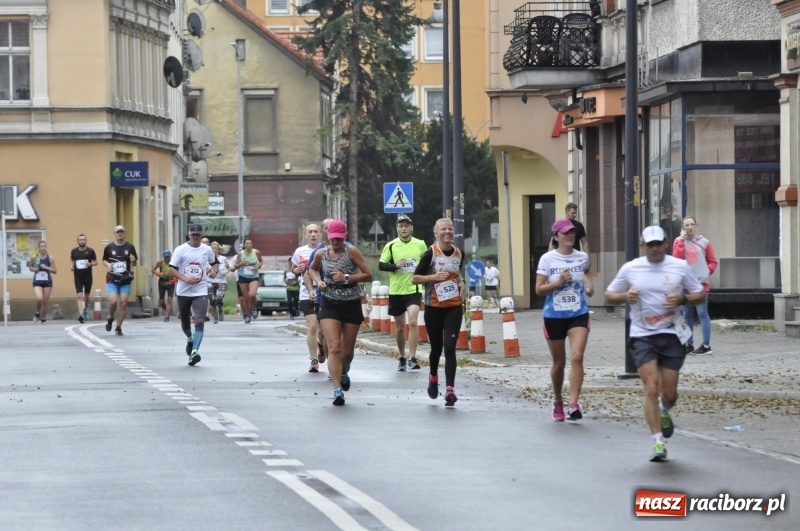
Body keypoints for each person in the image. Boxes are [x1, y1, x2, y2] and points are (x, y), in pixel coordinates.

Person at [605, 225, 706, 462]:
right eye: (650, 244)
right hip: (642, 336)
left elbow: (700, 293)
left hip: (671, 334)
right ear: (643, 246)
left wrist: (682, 299)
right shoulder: (631, 268)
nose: (654, 248)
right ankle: (658, 442)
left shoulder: (679, 266)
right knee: (651, 387)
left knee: (669, 394)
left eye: (658, 243)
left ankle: (664, 411)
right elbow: (609, 294)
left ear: (666, 243)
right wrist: (624, 296)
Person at [308, 219, 373, 405]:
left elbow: (368, 274)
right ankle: (337, 390)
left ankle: (344, 371)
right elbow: (312, 269)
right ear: (328, 237)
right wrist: (319, 282)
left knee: (347, 352)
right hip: (330, 303)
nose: (335, 242)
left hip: (351, 302)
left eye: (339, 239)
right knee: (334, 347)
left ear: (344, 237)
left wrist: (347, 277)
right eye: (333, 239)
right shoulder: (321, 253)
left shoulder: (351, 251)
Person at [535, 219, 594, 422]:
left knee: (577, 357)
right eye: (565, 233)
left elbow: (586, 270)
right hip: (554, 316)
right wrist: (558, 282)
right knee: (559, 363)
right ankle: (558, 400)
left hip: (578, 313)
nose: (570, 235)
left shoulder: (582, 257)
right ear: (556, 236)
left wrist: (589, 284)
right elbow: (539, 289)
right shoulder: (547, 259)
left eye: (572, 232)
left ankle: (574, 404)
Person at [412, 218, 465, 407]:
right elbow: (415, 278)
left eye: (450, 229)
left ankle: (450, 389)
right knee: (436, 348)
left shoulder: (459, 253)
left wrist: (462, 283)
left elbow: (458, 273)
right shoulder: (430, 253)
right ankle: (433, 376)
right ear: (436, 233)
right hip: (434, 307)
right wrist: (432, 277)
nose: (447, 232)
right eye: (443, 229)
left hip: (453, 307)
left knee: (450, 347)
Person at [379, 214, 428, 372]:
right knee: (400, 327)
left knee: (413, 321)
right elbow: (381, 265)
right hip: (396, 291)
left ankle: (412, 358)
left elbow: (428, 262)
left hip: (413, 289)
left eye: (407, 226)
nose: (404, 228)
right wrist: (395, 266)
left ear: (412, 228)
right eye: (401, 226)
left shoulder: (420, 244)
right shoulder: (391, 246)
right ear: (397, 228)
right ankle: (401, 356)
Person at [169, 223, 218, 366]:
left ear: (201, 235)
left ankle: (195, 352)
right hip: (183, 291)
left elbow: (214, 263)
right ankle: (190, 338)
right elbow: (171, 270)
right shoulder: (181, 249)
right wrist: (184, 278)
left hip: (200, 290)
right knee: (185, 323)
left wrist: (213, 270)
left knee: (200, 321)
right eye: (193, 234)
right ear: (189, 235)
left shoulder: (207, 249)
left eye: (198, 235)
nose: (195, 237)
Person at [673, 216, 718, 355]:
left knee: (703, 313)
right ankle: (688, 344)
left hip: (700, 285)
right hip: (684, 285)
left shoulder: (704, 242)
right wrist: (681, 240)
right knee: (686, 315)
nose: (690, 227)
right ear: (682, 227)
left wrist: (706, 271)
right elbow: (676, 259)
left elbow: (712, 261)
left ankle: (706, 345)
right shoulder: (678, 241)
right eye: (686, 225)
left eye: (692, 224)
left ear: (696, 225)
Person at [290, 223, 322, 372]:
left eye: (316, 231)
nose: (313, 234)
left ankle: (321, 344)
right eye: (310, 232)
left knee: (322, 330)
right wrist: (297, 269)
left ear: (320, 233)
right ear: (306, 234)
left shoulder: (325, 250)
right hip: (305, 294)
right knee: (313, 325)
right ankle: (314, 360)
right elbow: (293, 269)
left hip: (323, 293)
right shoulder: (299, 251)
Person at [102, 225, 138, 336]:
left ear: (125, 233)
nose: (120, 234)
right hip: (112, 278)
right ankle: (111, 317)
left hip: (125, 279)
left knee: (123, 302)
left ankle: (118, 327)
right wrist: (107, 264)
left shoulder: (130, 247)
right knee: (113, 301)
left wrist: (133, 261)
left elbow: (135, 263)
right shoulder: (109, 247)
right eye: (118, 232)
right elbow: (104, 260)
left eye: (122, 232)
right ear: (115, 234)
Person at [232, 238, 262, 323]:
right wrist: (241, 264)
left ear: (252, 244)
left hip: (254, 276)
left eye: (250, 243)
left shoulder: (256, 252)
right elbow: (236, 266)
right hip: (243, 276)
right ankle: (248, 315)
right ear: (244, 245)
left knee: (252, 294)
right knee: (246, 298)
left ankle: (254, 308)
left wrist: (258, 266)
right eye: (247, 243)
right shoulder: (240, 254)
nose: (248, 245)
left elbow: (261, 261)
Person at [70, 234, 97, 323]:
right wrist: (72, 266)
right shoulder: (74, 251)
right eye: (80, 240)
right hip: (78, 276)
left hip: (88, 276)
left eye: (83, 240)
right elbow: (72, 259)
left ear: (86, 241)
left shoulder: (90, 251)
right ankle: (81, 315)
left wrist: (91, 264)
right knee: (79, 296)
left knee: (87, 296)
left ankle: (85, 310)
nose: (82, 241)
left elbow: (95, 262)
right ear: (77, 241)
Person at [30, 240, 57, 323]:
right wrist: (35, 269)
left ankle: (43, 318)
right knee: (39, 298)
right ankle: (37, 312)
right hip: (37, 280)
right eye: (41, 246)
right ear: (39, 248)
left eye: (44, 246)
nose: (43, 248)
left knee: (45, 301)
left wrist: (46, 267)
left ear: (46, 247)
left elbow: (55, 271)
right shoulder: (34, 257)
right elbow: (30, 267)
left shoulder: (50, 258)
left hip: (47, 281)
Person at [207, 242, 229, 324]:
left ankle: (220, 309)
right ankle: (215, 317)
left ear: (218, 249)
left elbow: (228, 268)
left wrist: (225, 273)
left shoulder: (223, 258)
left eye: (215, 248)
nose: (214, 249)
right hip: (210, 280)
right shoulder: (207, 259)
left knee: (219, 299)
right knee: (212, 300)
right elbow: (204, 270)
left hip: (221, 281)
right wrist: (209, 270)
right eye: (212, 248)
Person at [153, 250, 176, 322]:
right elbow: (153, 270)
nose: (167, 258)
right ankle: (167, 311)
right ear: (163, 256)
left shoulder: (173, 263)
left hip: (170, 283)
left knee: (169, 300)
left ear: (170, 256)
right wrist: (158, 274)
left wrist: (175, 279)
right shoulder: (160, 262)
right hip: (162, 283)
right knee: (161, 302)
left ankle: (166, 316)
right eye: (166, 257)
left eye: (168, 257)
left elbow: (178, 272)